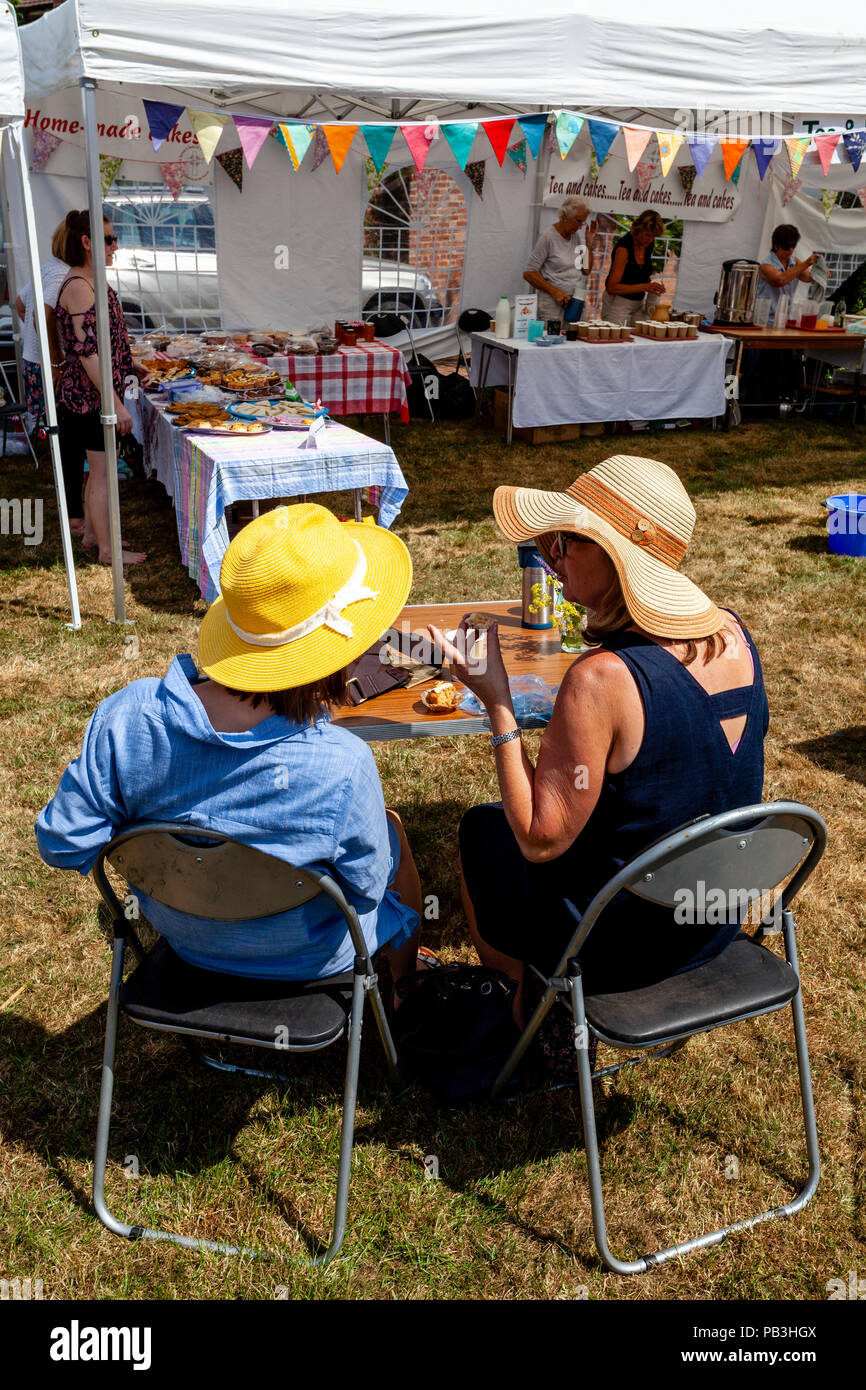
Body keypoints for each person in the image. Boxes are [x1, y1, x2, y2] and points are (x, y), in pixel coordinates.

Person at [432, 455, 769, 1027]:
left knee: (485, 832)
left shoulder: (602, 678)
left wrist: (497, 700)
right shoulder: (733, 633)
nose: (548, 554)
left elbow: (541, 839)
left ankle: (532, 1002)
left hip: (614, 947)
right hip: (709, 923)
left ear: (618, 560)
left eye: (565, 541)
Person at [35, 503, 425, 991]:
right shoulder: (343, 764)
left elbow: (63, 842)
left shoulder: (125, 717)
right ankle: (408, 986)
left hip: (184, 940)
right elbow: (365, 888)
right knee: (391, 833)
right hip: (311, 957)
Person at [55, 209, 148, 565]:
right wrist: (115, 405)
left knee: (99, 470)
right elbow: (89, 354)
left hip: (95, 394)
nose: (115, 246)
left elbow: (106, 342)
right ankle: (109, 551)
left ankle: (93, 536)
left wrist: (130, 364)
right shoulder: (79, 286)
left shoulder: (93, 280)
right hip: (88, 399)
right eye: (109, 239)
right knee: (103, 473)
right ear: (87, 242)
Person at [15, 221, 87, 535]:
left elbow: (20, 304)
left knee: (59, 435)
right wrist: (56, 357)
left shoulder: (49, 267)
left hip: (33, 360)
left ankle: (68, 496)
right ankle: (72, 511)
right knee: (66, 438)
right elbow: (37, 314)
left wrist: (35, 339)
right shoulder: (60, 274)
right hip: (47, 365)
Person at [524, 195, 596, 326]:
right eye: (578, 221)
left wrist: (589, 244)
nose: (580, 227)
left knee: (573, 343)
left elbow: (586, 269)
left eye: (583, 222)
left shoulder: (577, 237)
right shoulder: (548, 237)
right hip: (552, 304)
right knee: (552, 341)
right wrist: (554, 291)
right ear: (564, 216)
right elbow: (529, 273)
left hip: (575, 302)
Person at [603, 209, 667, 326]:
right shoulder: (623, 249)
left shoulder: (648, 244)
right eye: (647, 235)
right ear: (638, 229)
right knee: (616, 338)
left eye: (654, 236)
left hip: (638, 303)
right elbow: (612, 287)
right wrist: (645, 286)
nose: (650, 240)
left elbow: (638, 274)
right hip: (617, 302)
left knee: (641, 336)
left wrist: (653, 286)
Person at [755, 224, 817, 307]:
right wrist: (807, 263)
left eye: (793, 245)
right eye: (787, 246)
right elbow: (780, 280)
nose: (791, 249)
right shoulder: (765, 265)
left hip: (784, 316)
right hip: (766, 317)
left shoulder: (794, 261)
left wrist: (820, 269)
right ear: (776, 246)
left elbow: (808, 277)